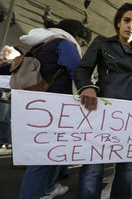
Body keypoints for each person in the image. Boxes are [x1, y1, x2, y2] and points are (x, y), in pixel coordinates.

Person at [74, 3, 132, 199]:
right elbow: (82, 69)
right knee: (93, 167)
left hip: (130, 117)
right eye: (127, 20)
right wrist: (87, 87)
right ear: (118, 23)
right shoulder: (102, 43)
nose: (131, 25)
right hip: (100, 112)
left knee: (126, 169)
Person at [19, 19, 91, 199]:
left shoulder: (43, 43)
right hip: (55, 109)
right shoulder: (64, 43)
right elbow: (77, 70)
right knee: (42, 160)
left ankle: (48, 188)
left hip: (42, 106)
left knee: (52, 155)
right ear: (75, 34)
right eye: (82, 41)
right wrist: (90, 89)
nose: (81, 45)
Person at [0, 46, 20, 151]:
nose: (6, 53)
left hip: (5, 95)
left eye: (9, 51)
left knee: (4, 118)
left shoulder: (13, 64)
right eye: (5, 51)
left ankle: (3, 141)